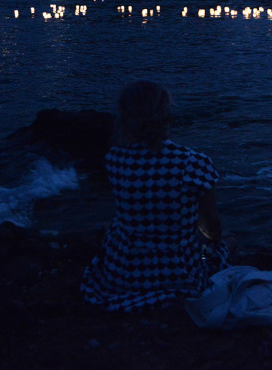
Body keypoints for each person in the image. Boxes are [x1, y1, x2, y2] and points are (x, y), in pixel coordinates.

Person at [80, 80, 231, 311]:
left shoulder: (114, 159)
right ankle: (204, 262)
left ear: (124, 119)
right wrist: (208, 243)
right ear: (168, 116)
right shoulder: (193, 163)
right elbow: (212, 228)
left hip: (123, 271)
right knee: (220, 245)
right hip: (182, 272)